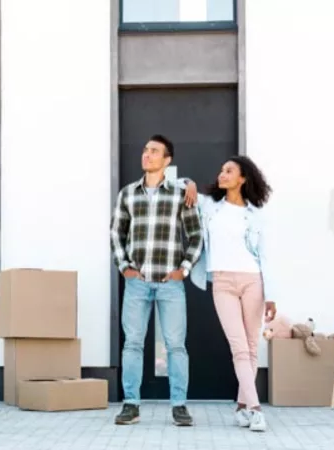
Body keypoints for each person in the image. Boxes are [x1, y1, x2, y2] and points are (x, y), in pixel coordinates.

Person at [177, 156, 276, 432]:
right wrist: (190, 183)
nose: (222, 174)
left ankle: (243, 407)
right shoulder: (210, 206)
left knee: (252, 348)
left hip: (252, 281)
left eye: (229, 171)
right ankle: (256, 410)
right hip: (222, 281)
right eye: (221, 170)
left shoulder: (255, 214)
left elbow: (265, 257)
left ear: (242, 178)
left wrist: (271, 295)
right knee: (239, 347)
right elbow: (177, 183)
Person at [110, 135, 203, 427]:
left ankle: (179, 405)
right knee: (133, 344)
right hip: (137, 282)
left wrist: (184, 269)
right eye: (145, 150)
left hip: (170, 283)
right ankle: (131, 405)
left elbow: (196, 235)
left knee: (176, 345)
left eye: (154, 151)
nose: (146, 155)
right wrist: (125, 267)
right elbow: (116, 234)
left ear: (167, 160)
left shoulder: (180, 194)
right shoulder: (127, 194)